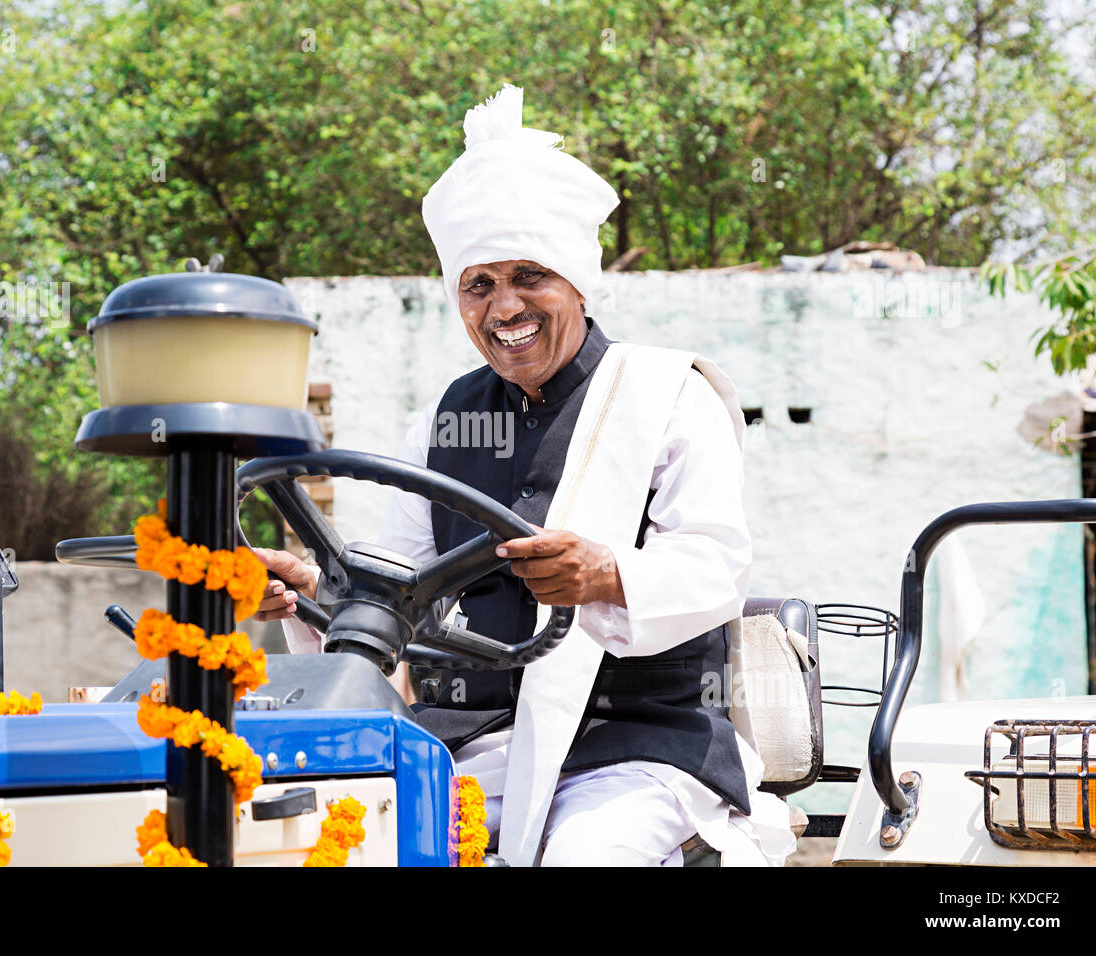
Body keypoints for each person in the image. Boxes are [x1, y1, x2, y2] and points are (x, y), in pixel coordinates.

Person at [252, 84, 795, 867]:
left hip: (634, 749)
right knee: (331, 846)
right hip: (475, 748)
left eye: (528, 276)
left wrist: (609, 575)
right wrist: (307, 585)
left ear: (577, 281)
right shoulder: (443, 419)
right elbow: (400, 585)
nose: (505, 306)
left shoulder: (671, 393)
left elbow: (714, 567)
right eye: (480, 285)